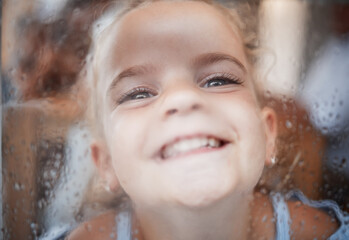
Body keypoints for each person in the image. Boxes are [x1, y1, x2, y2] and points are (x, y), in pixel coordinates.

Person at [60, 0, 349, 239]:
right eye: (137, 94)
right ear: (106, 162)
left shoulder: (315, 233)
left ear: (267, 134)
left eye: (218, 80)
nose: (182, 98)